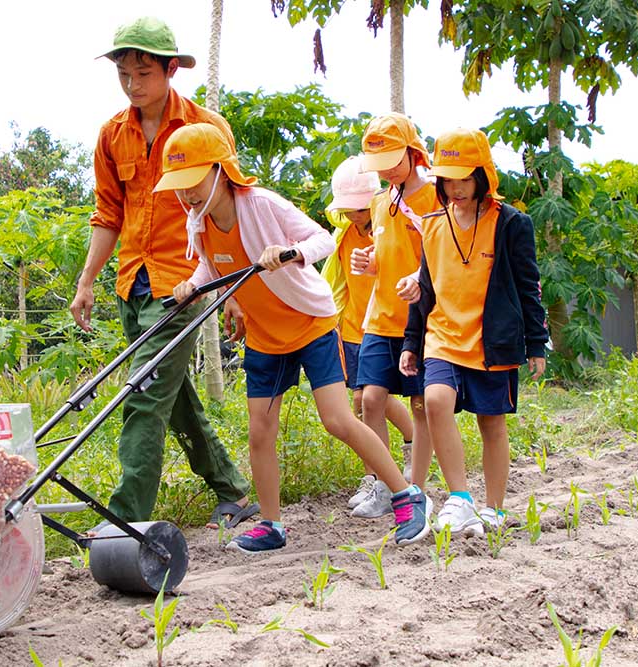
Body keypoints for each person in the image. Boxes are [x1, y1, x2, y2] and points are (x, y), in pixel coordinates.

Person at [157, 122, 433, 553]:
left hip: (309, 324)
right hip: (266, 338)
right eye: (179, 185)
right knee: (259, 433)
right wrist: (191, 283)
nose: (187, 193)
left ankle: (406, 496)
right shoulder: (200, 221)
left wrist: (290, 253)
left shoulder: (262, 204)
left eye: (194, 181)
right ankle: (271, 525)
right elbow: (215, 265)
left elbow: (321, 238)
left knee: (338, 420)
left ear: (219, 170)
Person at [69, 17, 256, 531]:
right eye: (124, 73)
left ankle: (123, 522)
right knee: (172, 401)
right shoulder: (112, 135)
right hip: (134, 283)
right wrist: (87, 281)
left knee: (143, 395)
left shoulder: (205, 128)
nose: (133, 83)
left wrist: (232, 287)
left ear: (171, 69)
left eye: (143, 71)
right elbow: (108, 213)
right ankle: (233, 490)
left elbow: (228, 209)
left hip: (184, 284)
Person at [400, 127, 548, 535]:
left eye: (464, 178)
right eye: (447, 179)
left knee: (491, 423)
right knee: (434, 401)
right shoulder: (432, 225)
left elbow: (527, 285)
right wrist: (412, 342)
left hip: (491, 340)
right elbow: (425, 290)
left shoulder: (512, 223)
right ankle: (460, 498)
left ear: (482, 175)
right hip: (443, 335)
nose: (455, 187)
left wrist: (535, 342)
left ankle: (494, 510)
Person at [347, 113, 439, 519]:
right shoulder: (380, 202)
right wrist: (369, 262)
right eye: (377, 162)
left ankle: (415, 487)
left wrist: (419, 277)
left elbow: (444, 255)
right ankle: (386, 485)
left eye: (391, 159)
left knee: (421, 404)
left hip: (420, 321)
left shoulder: (435, 197)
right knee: (370, 399)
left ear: (412, 152)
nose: (384, 169)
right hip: (380, 318)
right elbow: (387, 258)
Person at [319, 156, 415, 500]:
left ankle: (394, 460)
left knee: (368, 399)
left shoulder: (389, 228)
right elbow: (336, 282)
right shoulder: (343, 237)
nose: (353, 216)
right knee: (366, 401)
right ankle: (378, 473)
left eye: (359, 209)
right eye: (347, 210)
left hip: (386, 325)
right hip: (352, 329)